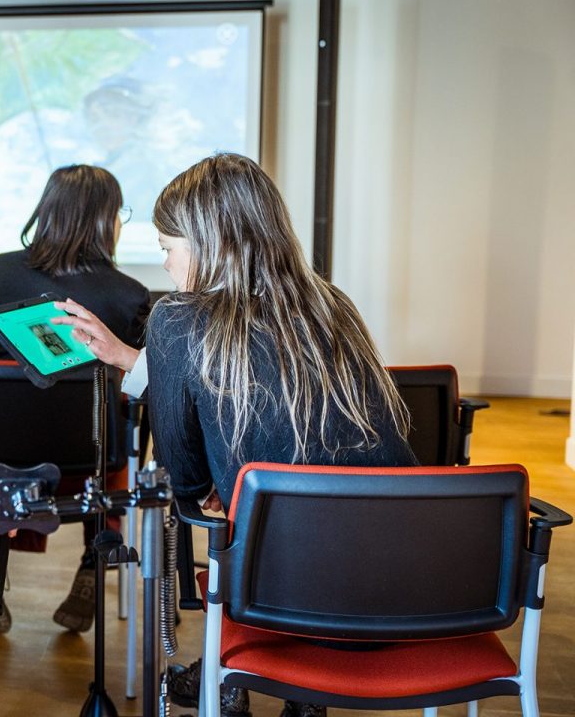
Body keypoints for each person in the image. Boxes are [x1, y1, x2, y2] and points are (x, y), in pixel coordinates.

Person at [54, 153, 416, 717]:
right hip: (410, 596)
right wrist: (133, 359)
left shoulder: (178, 318)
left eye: (168, 249)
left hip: (284, 603)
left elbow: (188, 482)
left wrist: (221, 485)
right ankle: (293, 695)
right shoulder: (330, 305)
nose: (169, 268)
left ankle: (231, 678)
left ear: (204, 245)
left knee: (230, 523)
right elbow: (255, 373)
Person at [0, 164, 151, 635]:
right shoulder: (130, 296)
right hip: (86, 468)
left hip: (0, 465)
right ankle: (96, 554)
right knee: (114, 430)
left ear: (46, 211)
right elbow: (136, 390)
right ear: (107, 219)